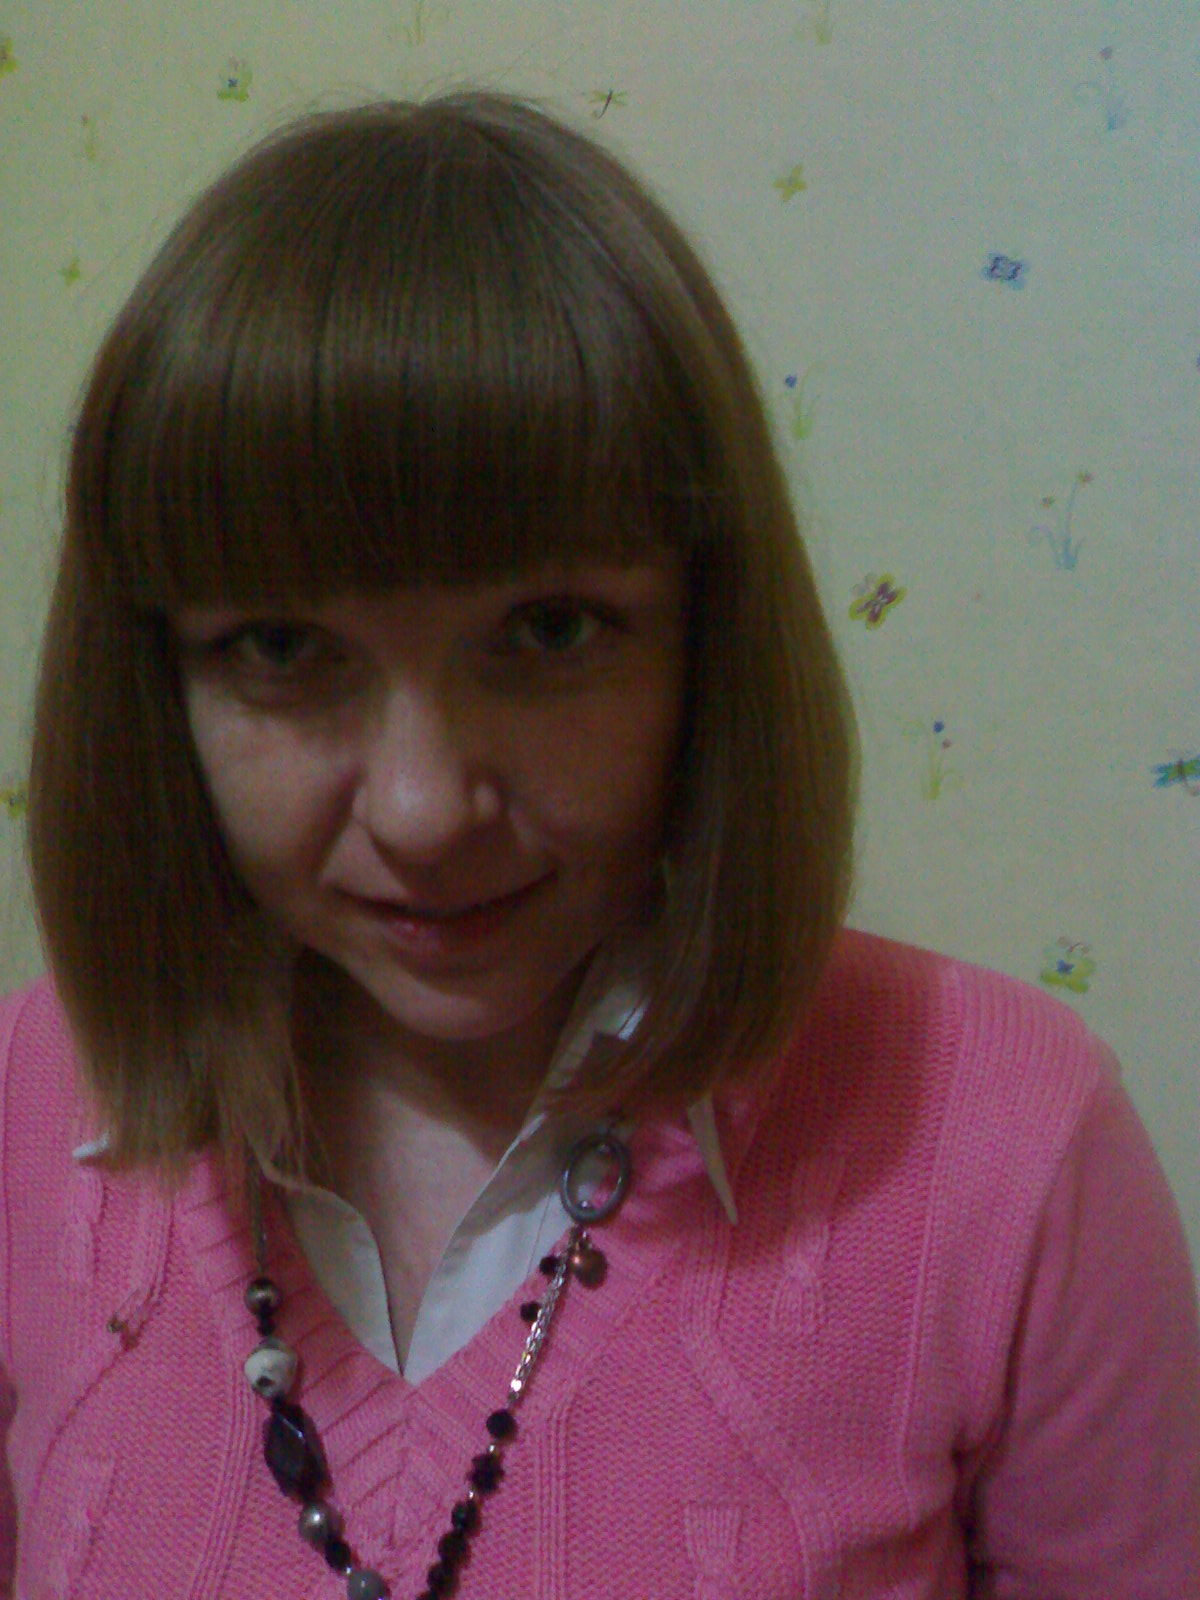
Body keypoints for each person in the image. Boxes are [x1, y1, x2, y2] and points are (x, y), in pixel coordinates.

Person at [1, 90, 1197, 1599]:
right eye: (284, 649)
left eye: (551, 631)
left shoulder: (1007, 1142)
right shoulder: (22, 1113)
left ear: (706, 644)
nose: (424, 811)